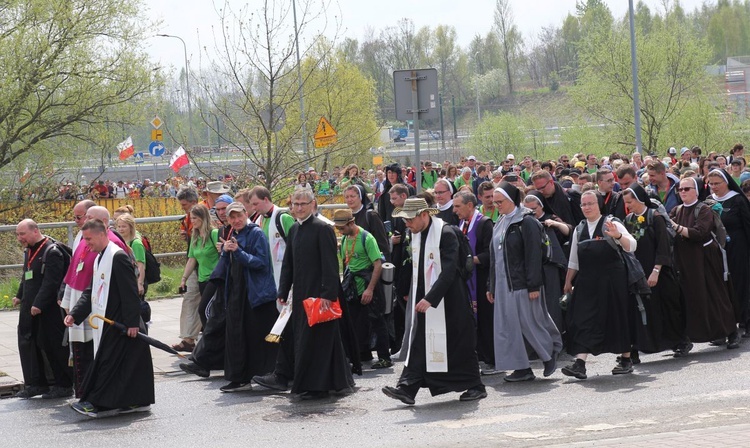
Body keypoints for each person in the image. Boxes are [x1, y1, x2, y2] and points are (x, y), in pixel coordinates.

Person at [382, 198, 486, 405]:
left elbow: (448, 272)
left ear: (424, 215)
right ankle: (407, 388)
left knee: (459, 343)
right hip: (428, 298)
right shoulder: (418, 234)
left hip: (451, 300)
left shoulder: (446, 234)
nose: (406, 224)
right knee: (420, 342)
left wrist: (430, 298)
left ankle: (476, 385)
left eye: (410, 219)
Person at [252, 189, 354, 399]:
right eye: (295, 204)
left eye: (303, 204)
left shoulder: (322, 229)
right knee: (308, 340)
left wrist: (328, 294)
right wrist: (282, 290)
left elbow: (330, 265)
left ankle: (317, 386)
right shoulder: (295, 230)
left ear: (313, 205)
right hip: (299, 294)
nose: (299, 208)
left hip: (318, 295)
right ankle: (332, 381)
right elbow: (288, 264)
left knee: (317, 341)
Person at [65, 219, 154, 417]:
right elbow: (91, 290)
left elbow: (130, 292)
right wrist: (75, 314)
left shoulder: (117, 256)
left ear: (102, 233)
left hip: (121, 320)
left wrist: (132, 323)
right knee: (119, 365)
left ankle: (98, 402)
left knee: (110, 364)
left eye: (89, 239)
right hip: (107, 319)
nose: (86, 243)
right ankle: (128, 401)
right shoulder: (98, 258)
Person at [488, 183, 562, 382]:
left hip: (522, 283)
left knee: (530, 323)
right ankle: (521, 367)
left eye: (500, 201)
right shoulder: (500, 222)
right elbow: (494, 257)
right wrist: (491, 284)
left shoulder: (526, 221)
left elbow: (533, 255)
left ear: (512, 200)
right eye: (494, 202)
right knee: (508, 327)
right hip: (504, 284)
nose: (497, 205)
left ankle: (550, 352)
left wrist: (533, 285)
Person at [562, 190, 637, 380]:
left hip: (613, 282)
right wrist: (568, 281)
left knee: (617, 318)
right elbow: (573, 260)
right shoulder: (579, 229)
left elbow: (632, 245)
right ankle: (579, 364)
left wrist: (618, 236)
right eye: (584, 204)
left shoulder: (612, 223)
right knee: (583, 320)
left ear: (599, 204)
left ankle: (626, 359)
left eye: (591, 203)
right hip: (587, 283)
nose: (587, 207)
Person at [212, 202, 278, 392]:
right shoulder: (232, 234)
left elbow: (262, 263)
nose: (236, 220)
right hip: (237, 291)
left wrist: (238, 252)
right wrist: (226, 251)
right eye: (232, 217)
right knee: (236, 335)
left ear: (246, 214)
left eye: (239, 216)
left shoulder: (256, 233)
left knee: (257, 337)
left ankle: (267, 374)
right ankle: (239, 378)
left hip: (255, 294)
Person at [669, 177, 738, 348]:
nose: (683, 192)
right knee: (691, 299)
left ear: (696, 190)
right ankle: (697, 337)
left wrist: (676, 227)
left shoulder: (704, 209)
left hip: (706, 259)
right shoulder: (676, 211)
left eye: (687, 189)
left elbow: (699, 233)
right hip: (685, 261)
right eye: (680, 189)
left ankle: (731, 332)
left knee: (715, 297)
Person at [621, 186, 687, 358]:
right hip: (639, 272)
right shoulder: (628, 219)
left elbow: (663, 247)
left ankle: (679, 341)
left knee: (667, 308)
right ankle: (637, 347)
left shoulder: (655, 217)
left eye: (630, 201)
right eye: (626, 202)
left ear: (640, 199)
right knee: (639, 310)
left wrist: (656, 270)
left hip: (659, 272)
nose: (628, 206)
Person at [13, 219, 74, 399]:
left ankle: (63, 384)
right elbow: (27, 275)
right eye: (17, 234)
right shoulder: (29, 251)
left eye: (22, 234)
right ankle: (36, 383)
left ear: (35, 231)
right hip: (30, 307)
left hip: (48, 309)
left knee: (53, 345)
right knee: (30, 344)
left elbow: (51, 282)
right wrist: (19, 295)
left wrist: (38, 304)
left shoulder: (51, 251)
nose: (19, 238)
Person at [335, 209, 391, 369]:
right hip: (353, 286)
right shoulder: (345, 238)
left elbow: (377, 264)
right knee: (354, 322)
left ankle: (384, 358)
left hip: (368, 284)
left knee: (377, 320)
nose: (340, 231)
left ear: (351, 223)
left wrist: (370, 289)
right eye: (338, 228)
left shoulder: (367, 238)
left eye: (342, 228)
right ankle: (362, 354)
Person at [452, 191, 495, 374]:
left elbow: (490, 252)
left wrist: (471, 260)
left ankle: (492, 360)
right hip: (467, 279)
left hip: (482, 279)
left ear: (470, 206)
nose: (454, 211)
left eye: (457, 206)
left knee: (485, 320)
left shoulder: (484, 223)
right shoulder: (462, 223)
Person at [60, 199, 98, 398]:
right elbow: (74, 268)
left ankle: (88, 393)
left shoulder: (106, 241)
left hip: (90, 302)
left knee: (89, 350)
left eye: (79, 217)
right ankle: (81, 391)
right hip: (78, 298)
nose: (77, 221)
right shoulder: (80, 237)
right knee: (79, 350)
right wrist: (65, 297)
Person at [179, 204, 220, 327]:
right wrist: (184, 279)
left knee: (203, 310)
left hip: (214, 279)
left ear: (203, 218)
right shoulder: (195, 237)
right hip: (202, 279)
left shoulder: (214, 233)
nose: (192, 221)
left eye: (195, 218)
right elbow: (192, 259)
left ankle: (211, 339)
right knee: (208, 311)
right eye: (191, 218)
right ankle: (212, 338)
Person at [249, 186, 295, 290]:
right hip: (267, 277)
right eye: (252, 205)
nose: (253, 208)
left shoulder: (283, 218)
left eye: (255, 204)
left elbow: (296, 247)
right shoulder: (258, 221)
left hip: (285, 275)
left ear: (265, 199)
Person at [174, 186, 202, 352]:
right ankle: (188, 338)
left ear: (193, 202)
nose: (183, 208)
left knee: (193, 299)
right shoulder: (188, 218)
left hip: (202, 266)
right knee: (190, 298)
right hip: (194, 262)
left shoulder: (202, 216)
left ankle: (189, 338)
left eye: (184, 205)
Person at [115, 214, 147, 299]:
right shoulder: (120, 242)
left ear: (130, 227)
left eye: (124, 226)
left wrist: (139, 283)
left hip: (134, 280)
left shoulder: (136, 243)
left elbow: (140, 265)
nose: (121, 229)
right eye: (119, 226)